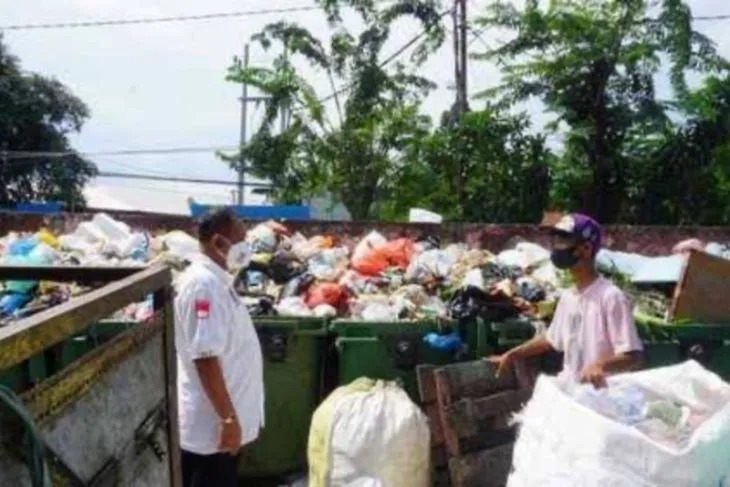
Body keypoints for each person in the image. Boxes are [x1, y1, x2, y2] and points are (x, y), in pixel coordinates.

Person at [487, 213, 644, 388]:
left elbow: (632, 356)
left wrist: (600, 366)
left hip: (601, 399)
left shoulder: (610, 296)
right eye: (555, 241)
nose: (556, 247)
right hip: (572, 394)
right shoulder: (568, 297)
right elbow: (552, 338)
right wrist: (513, 354)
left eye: (563, 241)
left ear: (585, 249)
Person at [174, 209, 263, 487]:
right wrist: (227, 419)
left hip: (222, 430)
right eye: (241, 240)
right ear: (218, 243)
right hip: (211, 432)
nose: (245, 248)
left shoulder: (217, 281)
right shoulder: (204, 286)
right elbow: (205, 358)